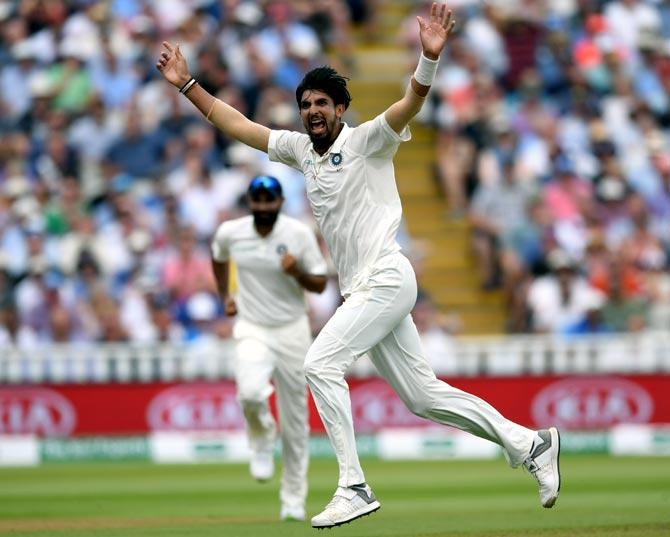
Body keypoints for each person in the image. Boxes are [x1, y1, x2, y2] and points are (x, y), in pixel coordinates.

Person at [156, 2, 561, 529]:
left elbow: (408, 105)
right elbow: (241, 126)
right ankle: (531, 443)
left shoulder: (368, 141)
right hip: (364, 291)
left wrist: (429, 60)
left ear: (342, 109)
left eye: (322, 103)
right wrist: (188, 87)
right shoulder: (302, 151)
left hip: (387, 277)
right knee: (423, 396)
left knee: (319, 364)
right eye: (305, 104)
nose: (312, 111)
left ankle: (353, 485)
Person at [210, 175, 328, 522]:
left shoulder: (298, 234)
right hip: (252, 326)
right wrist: (225, 296)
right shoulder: (231, 233)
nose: (263, 207)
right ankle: (261, 438)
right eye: (257, 201)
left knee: (295, 422)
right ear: (250, 202)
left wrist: (297, 273)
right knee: (249, 393)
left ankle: (293, 499)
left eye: (269, 201)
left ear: (280, 202)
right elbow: (217, 256)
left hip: (293, 329)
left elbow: (320, 284)